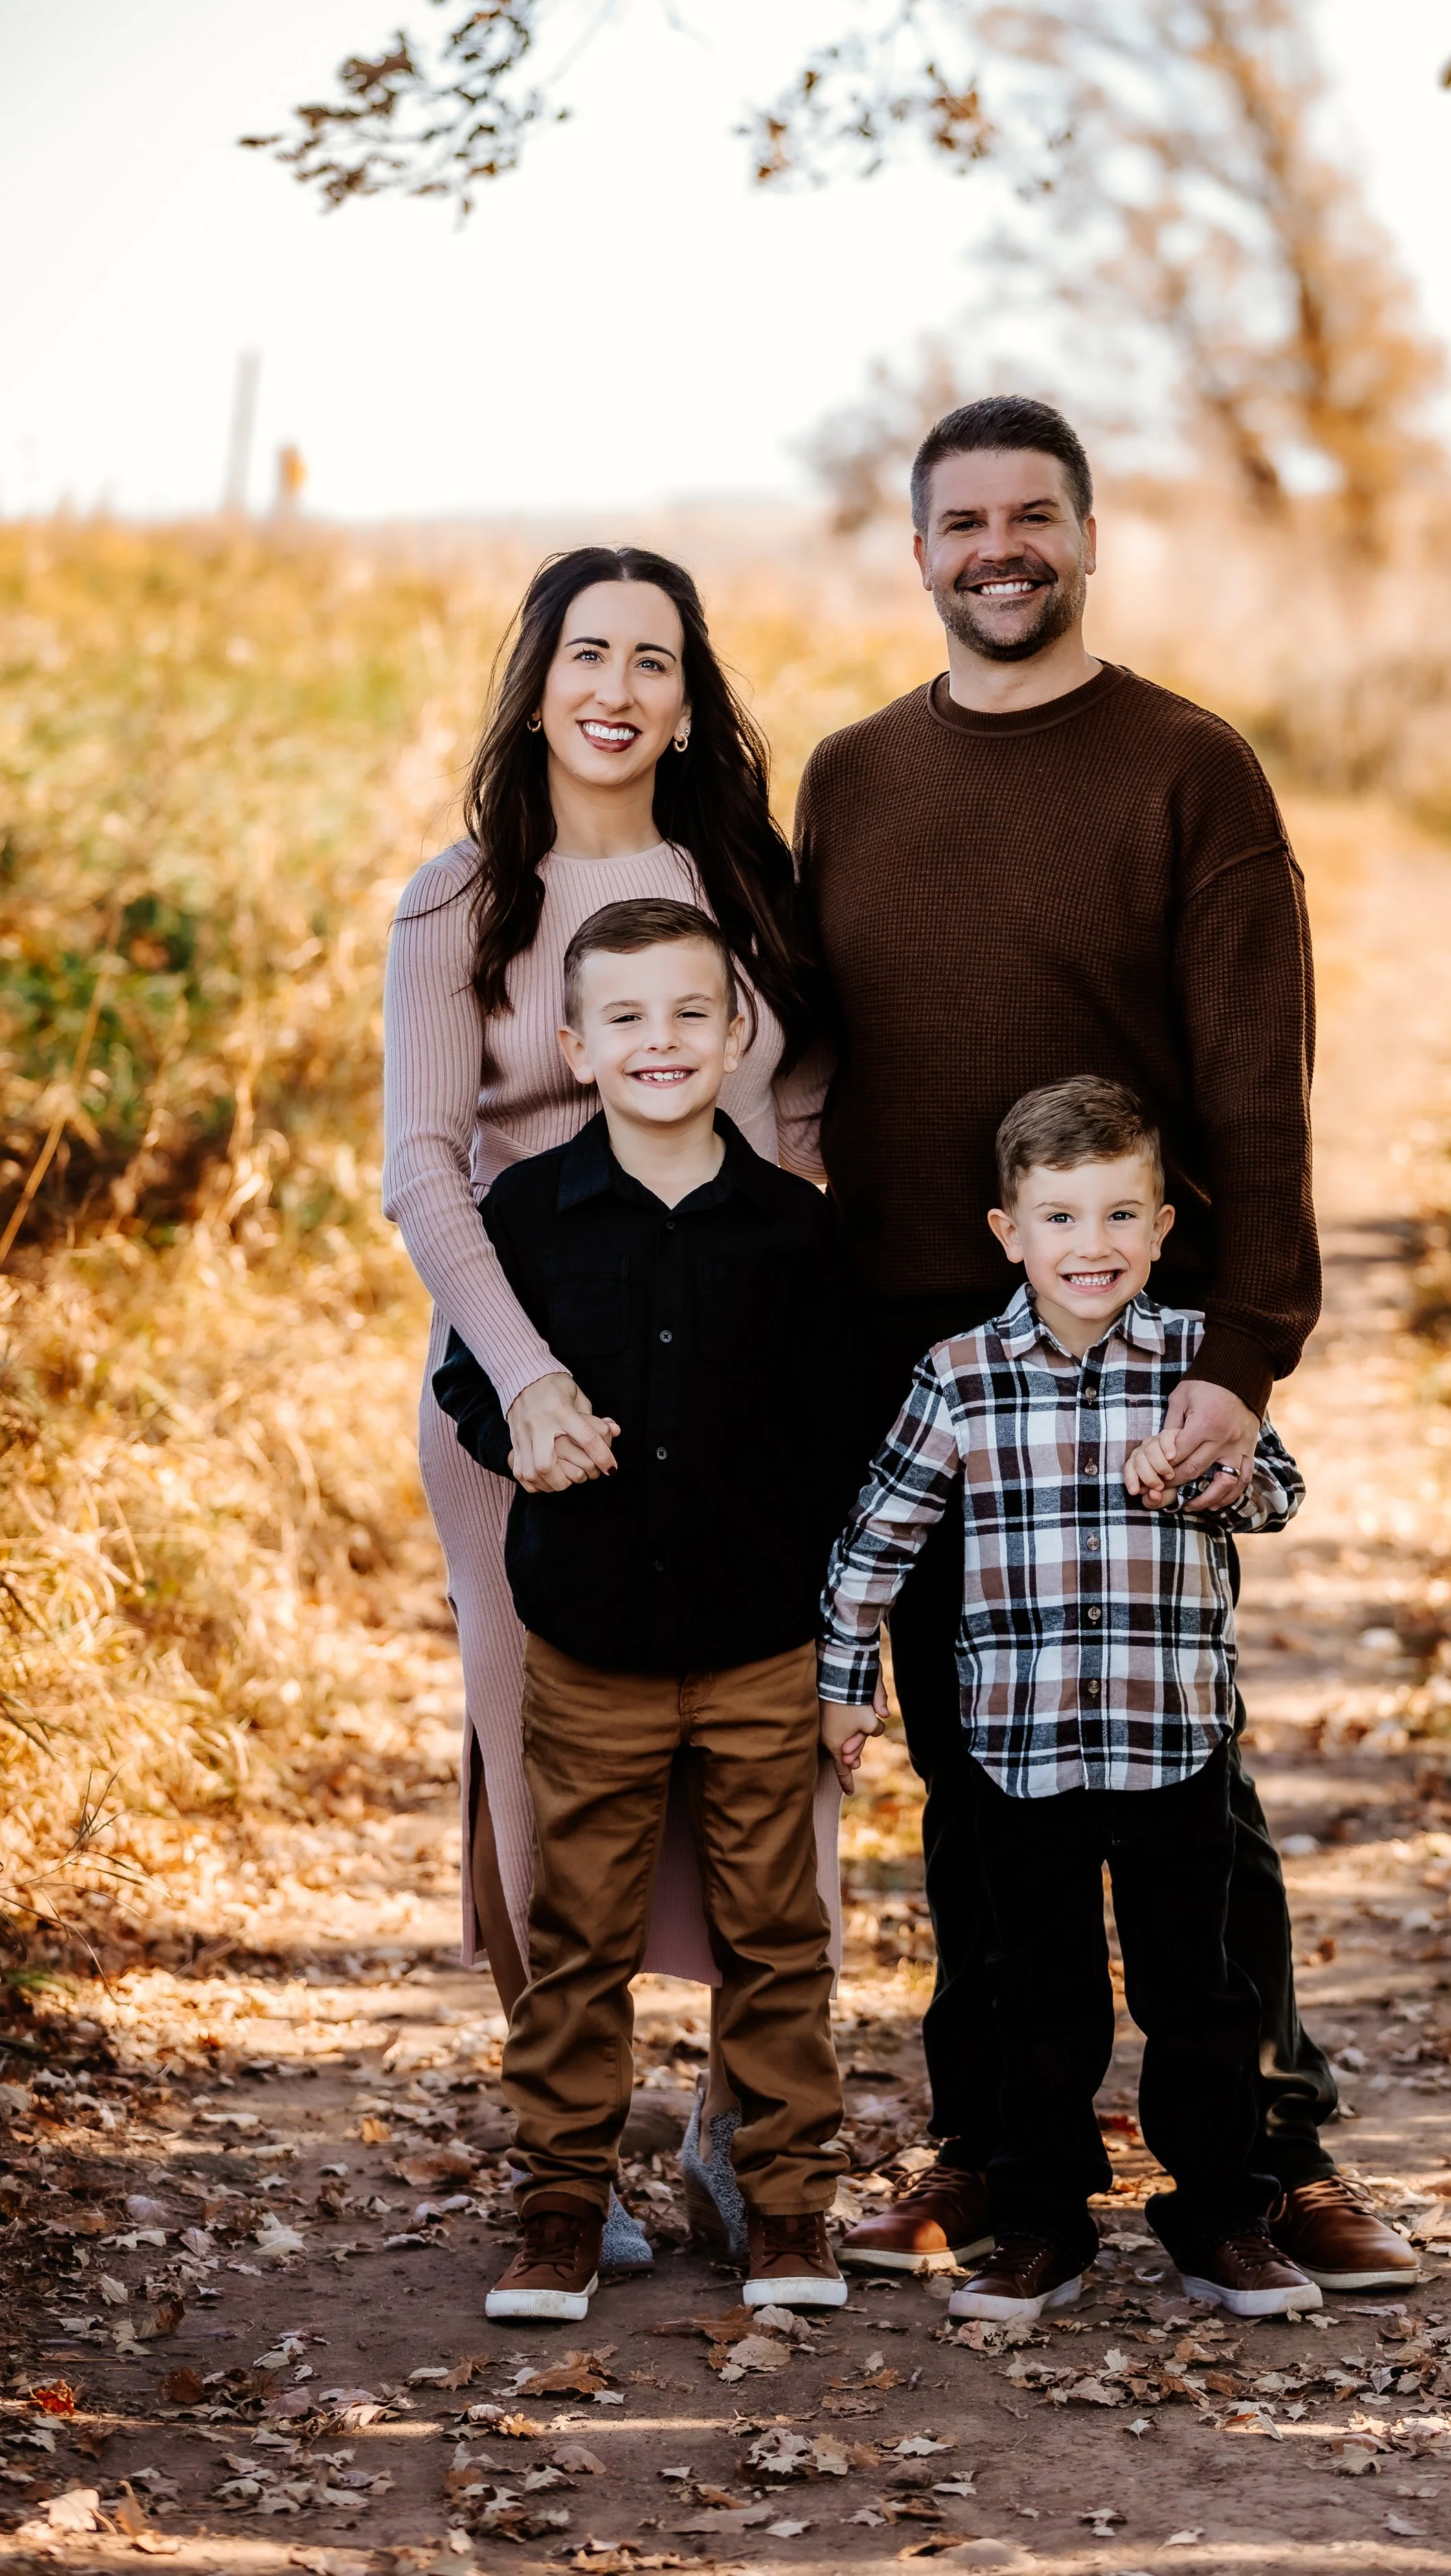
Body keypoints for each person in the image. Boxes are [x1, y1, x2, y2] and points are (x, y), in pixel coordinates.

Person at [797, 396, 1416, 2294]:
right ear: (914, 550)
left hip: (1138, 1351)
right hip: (917, 1353)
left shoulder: (1186, 767)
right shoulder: (844, 777)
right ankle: (999, 2143)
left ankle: (1269, 2148)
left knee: (1178, 1775)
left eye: (1034, 516)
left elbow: (1257, 1083)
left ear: (1088, 535)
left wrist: (1245, 1346)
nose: (1000, 547)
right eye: (961, 519)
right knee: (979, 1782)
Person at [382, 545, 837, 2264]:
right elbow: (422, 1170)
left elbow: (797, 1128)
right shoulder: (459, 901)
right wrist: (527, 1377)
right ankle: (572, 2162)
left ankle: (744, 2138)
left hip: (736, 1388)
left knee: (765, 1766)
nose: (618, 689)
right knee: (542, 1764)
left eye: (655, 658)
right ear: (539, 676)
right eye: (588, 652)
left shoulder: (750, 882)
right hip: (522, 1392)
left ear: (688, 694)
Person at [821, 1078, 1318, 2319]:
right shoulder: (960, 1375)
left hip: (1172, 1737)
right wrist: (844, 1688)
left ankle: (1221, 2217)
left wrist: (1219, 1481)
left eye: (1116, 1217)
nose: (1088, 1247)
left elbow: (1281, 1490)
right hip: (1018, 1745)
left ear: (1159, 1227)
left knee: (1196, 1994)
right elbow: (874, 1541)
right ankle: (1043, 2221)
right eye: (1058, 1219)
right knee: (1034, 1993)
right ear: (1009, 1232)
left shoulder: (1196, 1366)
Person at [435, 899, 868, 2320]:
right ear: (575, 1044)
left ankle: (786, 2207)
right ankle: (562, 2204)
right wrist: (525, 1433)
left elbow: (843, 1441)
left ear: (737, 1034)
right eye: (624, 1017)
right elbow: (469, 1382)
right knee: (577, 1938)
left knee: (776, 1935)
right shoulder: (525, 1217)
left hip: (759, 1646)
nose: (660, 1040)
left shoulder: (796, 1235)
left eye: (691, 1012)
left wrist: (847, 1651)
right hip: (590, 1646)